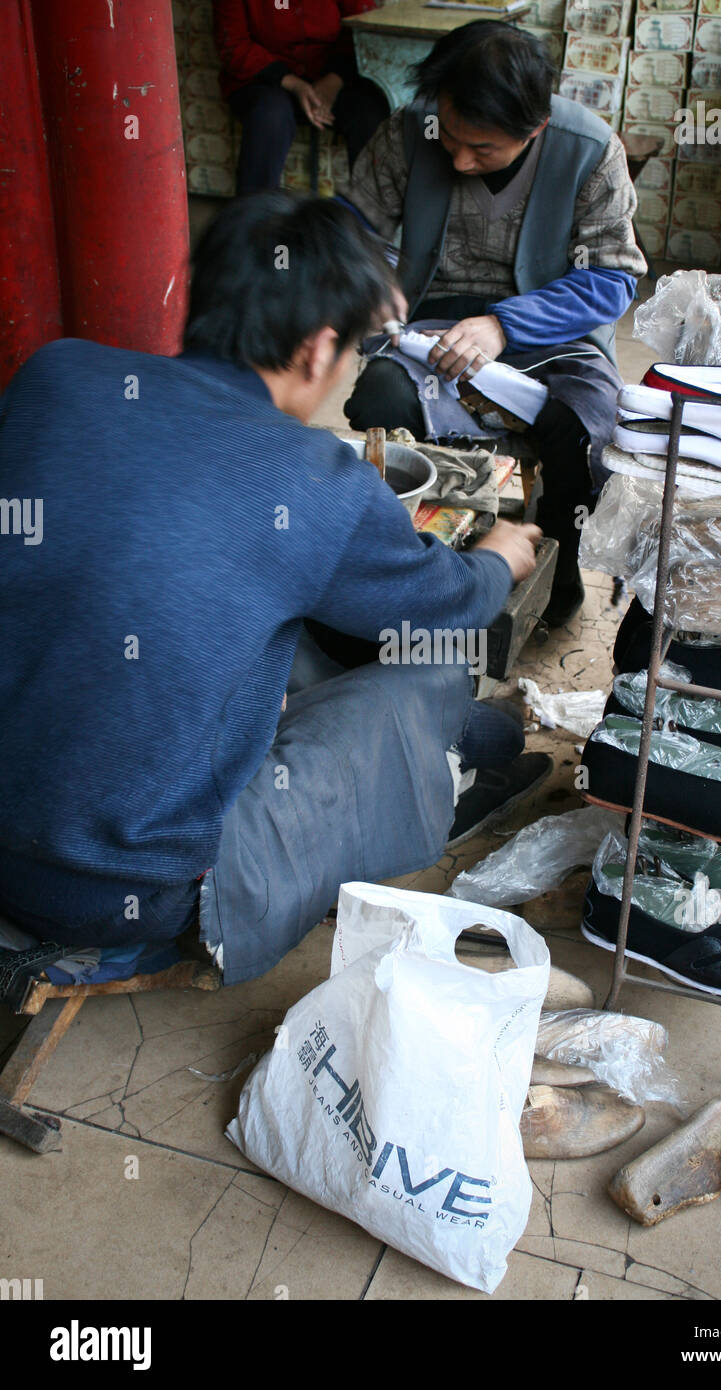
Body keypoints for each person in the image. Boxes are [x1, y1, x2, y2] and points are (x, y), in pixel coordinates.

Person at [0, 193, 546, 988]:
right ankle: (446, 762)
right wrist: (499, 558)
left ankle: (458, 745)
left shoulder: (56, 375)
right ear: (319, 348)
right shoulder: (312, 479)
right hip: (120, 893)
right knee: (427, 670)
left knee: (244, 616)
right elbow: (451, 604)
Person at [338, 20, 647, 627]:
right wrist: (367, 284)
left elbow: (612, 278)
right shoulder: (411, 130)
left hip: (551, 332)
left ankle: (553, 581)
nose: (457, 158)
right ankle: (414, 574)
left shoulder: (589, 150)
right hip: (429, 323)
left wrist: (503, 325)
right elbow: (353, 224)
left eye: (482, 149)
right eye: (450, 136)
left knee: (589, 425)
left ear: (535, 129)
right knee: (382, 397)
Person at [213, 0, 391, 194]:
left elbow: (363, 27)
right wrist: (292, 83)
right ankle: (254, 216)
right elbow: (232, 44)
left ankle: (368, 218)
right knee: (270, 115)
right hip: (264, 79)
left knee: (369, 111)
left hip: (332, 75)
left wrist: (334, 79)